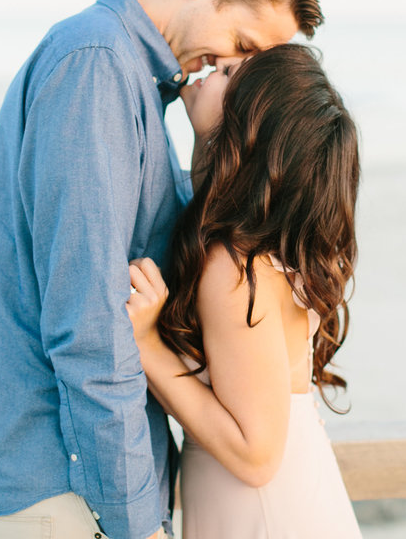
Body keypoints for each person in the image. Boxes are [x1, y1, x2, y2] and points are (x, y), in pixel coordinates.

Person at [0, 0, 322, 539]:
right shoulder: (97, 65)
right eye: (242, 45)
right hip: (66, 498)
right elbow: (89, 325)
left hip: (83, 498)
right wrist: (134, 523)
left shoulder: (136, 84)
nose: (234, 69)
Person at [126, 43, 363, 539]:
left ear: (245, 128)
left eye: (228, 71)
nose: (212, 64)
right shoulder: (258, 251)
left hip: (267, 511)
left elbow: (255, 456)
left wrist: (146, 345)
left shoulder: (235, 266)